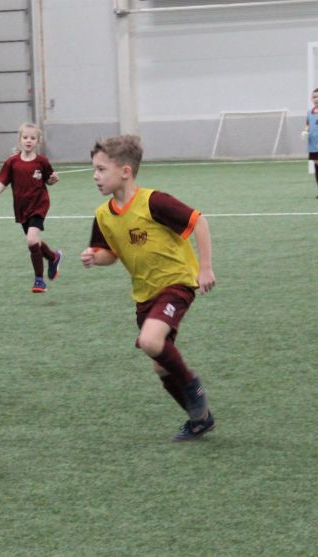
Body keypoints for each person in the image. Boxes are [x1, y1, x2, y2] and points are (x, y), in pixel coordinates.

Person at [80, 135, 218, 441]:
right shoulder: (103, 215)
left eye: (101, 169)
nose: (95, 176)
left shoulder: (153, 202)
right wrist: (94, 258)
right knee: (160, 366)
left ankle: (193, 387)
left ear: (125, 171)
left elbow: (199, 222)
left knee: (150, 341)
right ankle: (200, 419)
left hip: (176, 283)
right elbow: (109, 255)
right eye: (94, 170)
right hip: (144, 295)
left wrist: (205, 267)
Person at [0, 123, 63, 293]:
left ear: (38, 141)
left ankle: (39, 280)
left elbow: (48, 180)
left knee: (31, 240)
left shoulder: (42, 162)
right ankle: (53, 257)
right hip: (22, 208)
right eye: (25, 137)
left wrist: (53, 180)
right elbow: (2, 183)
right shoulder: (12, 162)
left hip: (39, 205)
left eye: (32, 138)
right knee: (35, 241)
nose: (28, 140)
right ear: (20, 140)